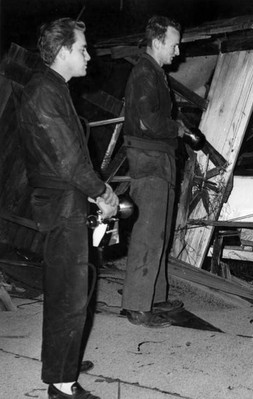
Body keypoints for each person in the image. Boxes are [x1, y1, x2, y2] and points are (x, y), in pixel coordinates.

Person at [17, 17, 118, 399]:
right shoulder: (45, 92)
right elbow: (70, 161)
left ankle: (64, 359)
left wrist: (93, 192)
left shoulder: (54, 88)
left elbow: (71, 157)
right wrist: (103, 193)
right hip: (62, 202)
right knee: (69, 293)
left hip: (65, 199)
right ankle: (62, 383)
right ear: (62, 52)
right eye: (82, 49)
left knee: (69, 289)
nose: (89, 55)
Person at [121, 15, 188, 328]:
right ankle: (137, 305)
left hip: (159, 158)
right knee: (147, 233)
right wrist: (180, 130)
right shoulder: (145, 72)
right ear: (159, 41)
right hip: (148, 158)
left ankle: (155, 297)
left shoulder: (155, 72)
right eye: (174, 45)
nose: (177, 52)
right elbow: (149, 123)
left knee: (159, 232)